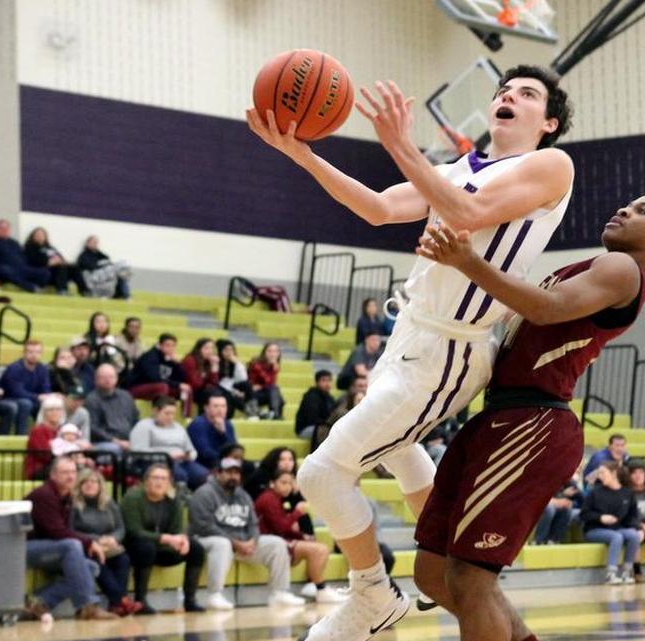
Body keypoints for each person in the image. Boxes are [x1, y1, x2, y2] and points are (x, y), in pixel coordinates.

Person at [251, 64, 576, 641]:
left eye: (526, 95)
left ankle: (372, 592)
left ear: (547, 122)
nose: (509, 97)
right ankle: (454, 565)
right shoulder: (455, 169)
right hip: (410, 335)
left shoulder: (549, 164)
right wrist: (300, 154)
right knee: (401, 455)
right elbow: (378, 208)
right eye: (503, 90)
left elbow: (470, 213)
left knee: (322, 473)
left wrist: (400, 144)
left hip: (453, 347)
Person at [412, 187, 645, 641]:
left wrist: (468, 261)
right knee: (433, 573)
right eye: (628, 203)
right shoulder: (597, 266)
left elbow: (546, 309)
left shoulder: (623, 268)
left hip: (533, 423)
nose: (624, 208)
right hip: (500, 415)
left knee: (472, 579)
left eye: (643, 211)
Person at [188, 457, 305, 610]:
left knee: (277, 543)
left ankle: (279, 593)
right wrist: (235, 542)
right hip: (207, 540)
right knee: (222, 544)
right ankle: (214, 595)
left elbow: (253, 523)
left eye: (236, 473)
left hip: (242, 543)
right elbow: (204, 526)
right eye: (229, 472)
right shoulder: (204, 493)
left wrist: (253, 541)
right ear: (218, 473)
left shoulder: (242, 495)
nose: (233, 476)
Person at [24, 456, 118, 620]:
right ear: (53, 475)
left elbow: (64, 531)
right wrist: (89, 542)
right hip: (23, 547)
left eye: (73, 472)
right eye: (65, 472)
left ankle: (38, 600)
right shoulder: (44, 495)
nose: (71, 476)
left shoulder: (67, 496)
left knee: (91, 567)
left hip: (50, 548)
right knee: (71, 545)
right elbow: (56, 531)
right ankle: (87, 606)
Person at [120, 463, 206, 613]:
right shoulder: (133, 497)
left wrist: (183, 539)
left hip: (162, 548)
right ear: (146, 481)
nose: (159, 482)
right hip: (135, 548)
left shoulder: (173, 500)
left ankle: (190, 601)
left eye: (164, 479)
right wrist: (166, 538)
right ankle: (140, 601)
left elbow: (177, 530)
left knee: (196, 548)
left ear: (169, 483)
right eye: (155, 478)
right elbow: (134, 531)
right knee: (146, 547)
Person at [255, 469, 344, 602]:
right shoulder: (268, 499)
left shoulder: (277, 498)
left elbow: (280, 527)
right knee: (319, 550)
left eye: (290, 483)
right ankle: (320, 589)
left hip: (277, 540)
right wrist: (296, 513)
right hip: (267, 544)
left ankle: (314, 586)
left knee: (319, 547)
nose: (287, 487)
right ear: (272, 483)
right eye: (283, 482)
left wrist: (301, 535)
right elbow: (281, 528)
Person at [71, 467, 141, 616]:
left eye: (94, 482)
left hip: (109, 546)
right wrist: (96, 539)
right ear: (79, 485)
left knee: (123, 559)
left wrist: (113, 538)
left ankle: (116, 604)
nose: (90, 485)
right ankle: (120, 601)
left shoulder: (109, 504)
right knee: (99, 562)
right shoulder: (73, 505)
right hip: (87, 547)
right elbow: (70, 530)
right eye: (86, 482)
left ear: (100, 485)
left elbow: (121, 528)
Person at [581, 462, 643, 584]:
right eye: (599, 473)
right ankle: (611, 574)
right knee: (617, 537)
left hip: (616, 528)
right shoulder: (595, 492)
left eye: (603, 472)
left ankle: (627, 572)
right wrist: (600, 517)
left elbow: (633, 516)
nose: (600, 476)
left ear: (614, 474)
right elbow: (583, 514)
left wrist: (637, 528)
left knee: (633, 535)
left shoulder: (627, 493)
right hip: (594, 529)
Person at [130, 396, 208, 490]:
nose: (170, 417)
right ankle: (179, 502)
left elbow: (191, 449)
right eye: (167, 413)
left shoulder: (178, 427)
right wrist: (167, 455)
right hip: (157, 462)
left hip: (182, 461)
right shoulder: (144, 426)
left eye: (173, 414)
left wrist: (189, 455)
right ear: (155, 411)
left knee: (203, 475)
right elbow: (138, 451)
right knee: (179, 475)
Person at [0, 339, 53, 435]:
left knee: (51, 404)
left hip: (31, 399)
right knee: (25, 403)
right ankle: (20, 435)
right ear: (24, 353)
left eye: (37, 352)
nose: (34, 355)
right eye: (30, 352)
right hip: (9, 398)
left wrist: (47, 396)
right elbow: (16, 391)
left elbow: (46, 388)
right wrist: (37, 397)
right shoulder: (14, 368)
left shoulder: (42, 369)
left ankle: (45, 436)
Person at [0, 219, 50, 292]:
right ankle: (30, 287)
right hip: (4, 269)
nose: (5, 230)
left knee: (44, 272)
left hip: (21, 269)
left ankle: (36, 286)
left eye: (7, 228)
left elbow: (24, 257)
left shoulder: (14, 243)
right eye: (1, 228)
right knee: (4, 270)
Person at [129, 334, 191, 414]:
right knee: (162, 386)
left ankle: (185, 416)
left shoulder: (170, 359)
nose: (170, 348)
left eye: (173, 346)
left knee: (187, 389)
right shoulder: (151, 356)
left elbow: (182, 380)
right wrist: (178, 384)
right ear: (160, 345)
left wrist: (177, 364)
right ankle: (160, 413)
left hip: (157, 388)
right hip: (137, 388)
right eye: (167, 345)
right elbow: (155, 378)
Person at [86, 364, 138, 455]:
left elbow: (135, 420)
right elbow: (93, 428)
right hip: (105, 442)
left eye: (111, 377)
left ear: (116, 378)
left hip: (129, 440)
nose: (108, 380)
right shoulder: (91, 400)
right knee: (114, 449)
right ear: (96, 380)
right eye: (104, 377)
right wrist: (116, 441)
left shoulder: (126, 396)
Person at [23, 226, 85, 295]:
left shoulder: (50, 247)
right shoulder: (29, 247)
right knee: (61, 267)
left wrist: (59, 261)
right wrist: (48, 262)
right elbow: (32, 260)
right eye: (38, 235)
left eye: (42, 235)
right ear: (33, 236)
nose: (40, 236)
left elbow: (60, 258)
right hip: (44, 272)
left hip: (59, 270)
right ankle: (62, 290)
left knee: (74, 267)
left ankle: (84, 291)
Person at [187, 395, 237, 470]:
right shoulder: (198, 424)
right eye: (216, 406)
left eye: (223, 406)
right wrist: (225, 460)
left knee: (248, 466)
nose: (220, 410)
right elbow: (205, 452)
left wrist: (223, 433)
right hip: (203, 463)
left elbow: (234, 448)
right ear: (206, 408)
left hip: (223, 460)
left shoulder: (227, 424)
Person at [25, 396, 68, 479]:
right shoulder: (38, 430)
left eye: (58, 409)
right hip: (39, 469)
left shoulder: (64, 430)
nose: (55, 412)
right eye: (51, 410)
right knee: (70, 471)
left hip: (58, 465)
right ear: (43, 413)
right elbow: (45, 455)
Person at [77, 235, 131, 299]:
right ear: (87, 243)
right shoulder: (84, 255)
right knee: (119, 269)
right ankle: (125, 294)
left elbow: (107, 259)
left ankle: (124, 293)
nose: (95, 244)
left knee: (122, 267)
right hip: (93, 277)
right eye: (93, 242)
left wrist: (103, 263)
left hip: (103, 276)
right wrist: (103, 265)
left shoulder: (99, 254)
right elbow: (91, 266)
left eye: (96, 243)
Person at [535, 473, 581, 545]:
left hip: (556, 504)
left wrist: (565, 497)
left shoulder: (560, 476)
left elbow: (581, 497)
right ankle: (538, 541)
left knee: (566, 509)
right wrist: (556, 501)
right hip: (539, 505)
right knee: (549, 509)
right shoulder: (540, 476)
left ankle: (553, 541)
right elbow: (536, 497)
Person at [215, 339, 254, 418]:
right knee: (231, 397)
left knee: (247, 385)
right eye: (226, 349)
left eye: (231, 349)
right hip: (220, 389)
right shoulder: (216, 361)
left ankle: (252, 410)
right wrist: (235, 392)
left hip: (231, 387)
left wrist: (237, 363)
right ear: (220, 350)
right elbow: (219, 383)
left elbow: (243, 379)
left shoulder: (234, 363)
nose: (229, 352)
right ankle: (251, 412)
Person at [295, 370, 337, 442]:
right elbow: (312, 419)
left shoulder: (330, 398)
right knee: (329, 432)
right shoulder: (311, 397)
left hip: (321, 426)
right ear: (317, 382)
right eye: (324, 380)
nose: (327, 383)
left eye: (329, 380)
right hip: (306, 429)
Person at [181, 338, 221, 412]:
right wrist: (205, 381)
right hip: (187, 390)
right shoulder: (190, 360)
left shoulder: (208, 362)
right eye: (206, 348)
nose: (210, 351)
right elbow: (194, 384)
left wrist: (214, 366)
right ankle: (204, 419)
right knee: (211, 394)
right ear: (198, 349)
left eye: (212, 348)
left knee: (222, 393)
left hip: (200, 390)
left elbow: (214, 383)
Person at [247, 342, 283, 419]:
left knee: (278, 395)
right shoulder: (256, 363)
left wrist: (262, 386)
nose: (273, 354)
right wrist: (274, 370)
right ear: (264, 352)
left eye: (276, 351)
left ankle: (274, 414)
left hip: (264, 392)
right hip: (251, 394)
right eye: (270, 351)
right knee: (275, 391)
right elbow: (268, 381)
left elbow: (270, 385)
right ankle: (275, 415)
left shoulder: (273, 365)